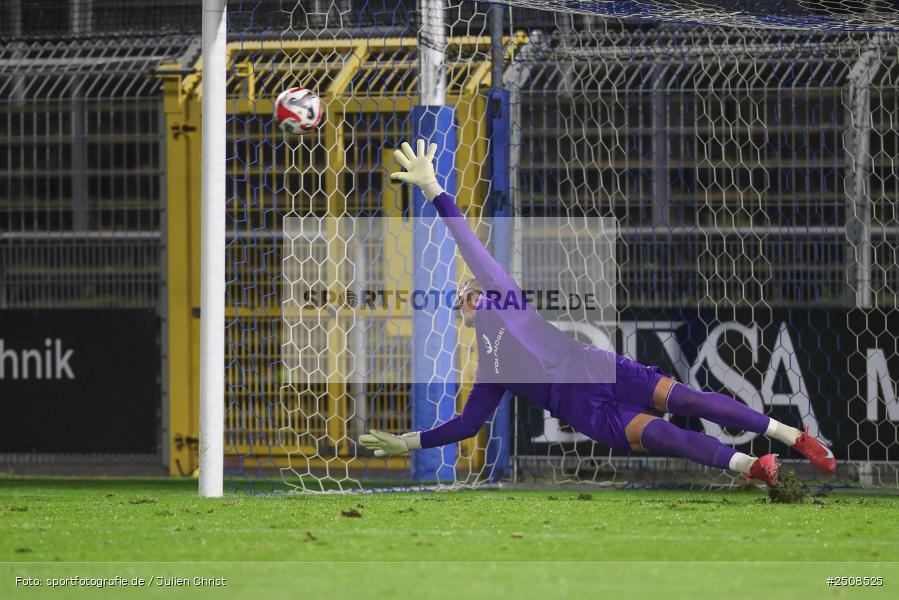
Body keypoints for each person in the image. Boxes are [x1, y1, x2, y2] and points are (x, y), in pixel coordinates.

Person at [360, 140, 836, 487]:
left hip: (598, 370)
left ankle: (794, 435)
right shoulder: (492, 371)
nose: (467, 292)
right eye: (461, 295)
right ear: (463, 314)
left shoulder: (506, 300)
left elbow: (467, 242)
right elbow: (467, 426)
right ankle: (753, 468)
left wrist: (434, 189)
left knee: (687, 400)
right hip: (585, 411)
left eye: (468, 287)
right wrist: (409, 442)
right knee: (667, 437)